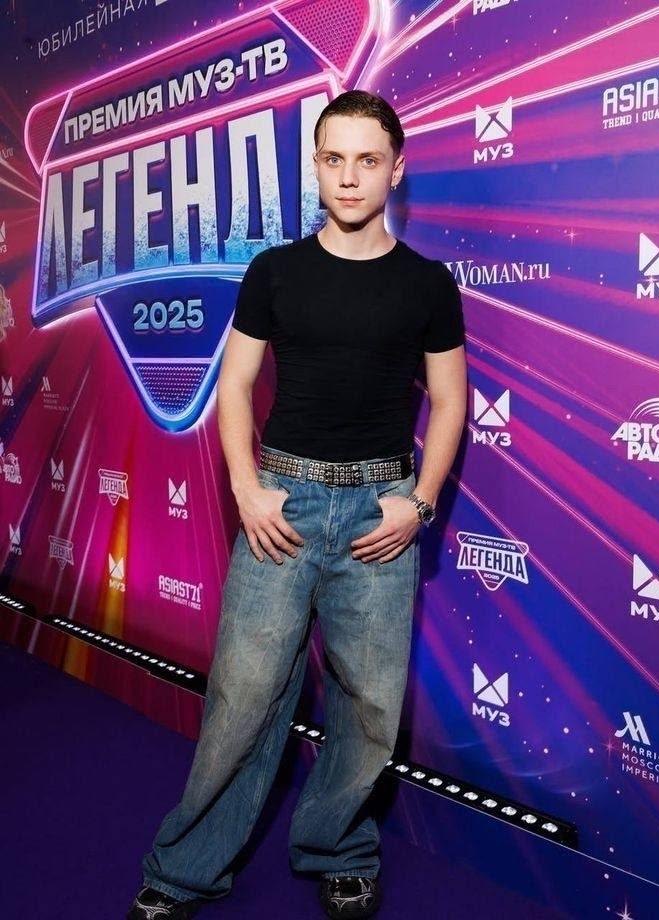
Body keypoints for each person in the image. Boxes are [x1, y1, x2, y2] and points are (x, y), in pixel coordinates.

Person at [127, 89, 467, 920]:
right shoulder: (274, 271)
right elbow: (234, 385)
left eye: (367, 160)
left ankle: (339, 849)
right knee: (243, 697)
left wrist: (419, 504)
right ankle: (184, 870)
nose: (349, 177)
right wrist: (246, 488)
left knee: (370, 704)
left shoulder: (428, 284)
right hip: (282, 505)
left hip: (380, 515)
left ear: (396, 169)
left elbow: (451, 400)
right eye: (333, 159)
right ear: (314, 165)